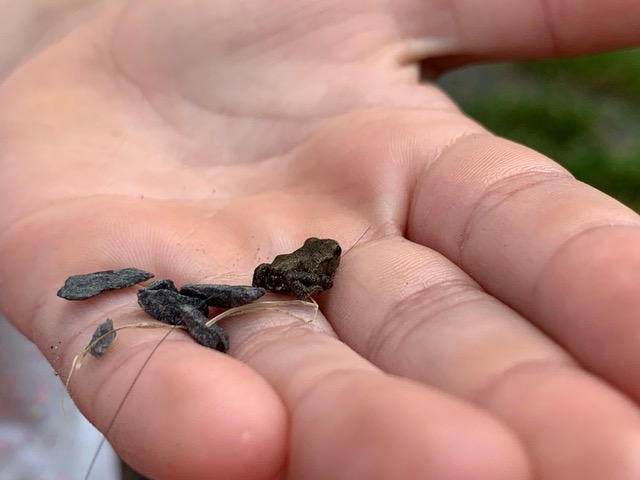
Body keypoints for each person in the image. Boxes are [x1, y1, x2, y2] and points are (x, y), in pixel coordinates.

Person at [1, 1, 639, 479]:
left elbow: (299, 268)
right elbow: (304, 273)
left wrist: (48, 22)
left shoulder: (312, 257)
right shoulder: (310, 268)